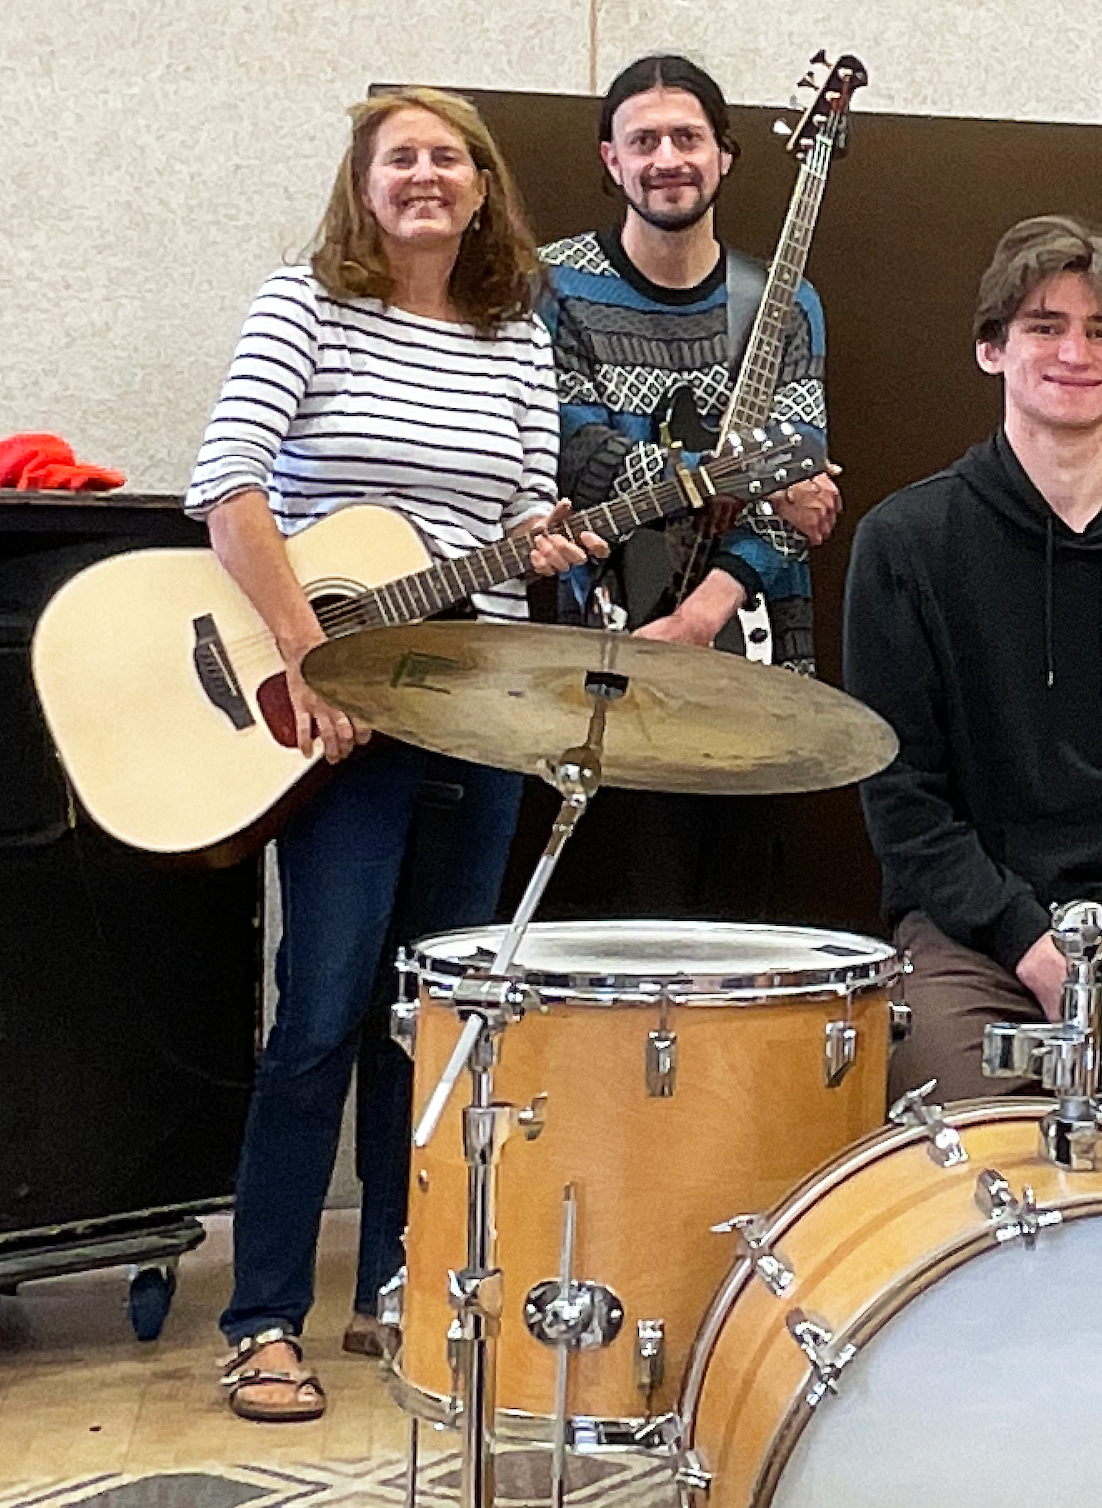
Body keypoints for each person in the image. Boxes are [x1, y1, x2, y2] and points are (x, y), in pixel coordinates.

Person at [187, 88, 600, 1422]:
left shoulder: (516, 337)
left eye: (450, 158)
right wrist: (316, 658)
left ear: (483, 188)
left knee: (427, 1021)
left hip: (471, 704)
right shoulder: (303, 303)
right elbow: (229, 490)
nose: (427, 176)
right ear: (364, 184)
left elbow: (521, 515)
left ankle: (396, 1289)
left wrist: (559, 539)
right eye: (400, 157)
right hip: (337, 718)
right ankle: (259, 1319)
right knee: (318, 1015)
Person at [844, 215, 1102, 1106]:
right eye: (1045, 326)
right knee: (969, 1139)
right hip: (975, 936)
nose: (1076, 352)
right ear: (993, 350)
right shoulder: (906, 543)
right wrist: (1030, 945)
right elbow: (904, 802)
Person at [535, 54, 843, 919]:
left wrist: (700, 616)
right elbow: (578, 459)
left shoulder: (785, 302)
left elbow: (803, 502)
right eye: (644, 140)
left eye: (687, 137)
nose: (667, 156)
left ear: (725, 156)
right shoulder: (555, 286)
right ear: (611, 160)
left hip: (745, 639)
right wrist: (736, 474)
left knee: (735, 928)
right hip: (602, 634)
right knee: (614, 916)